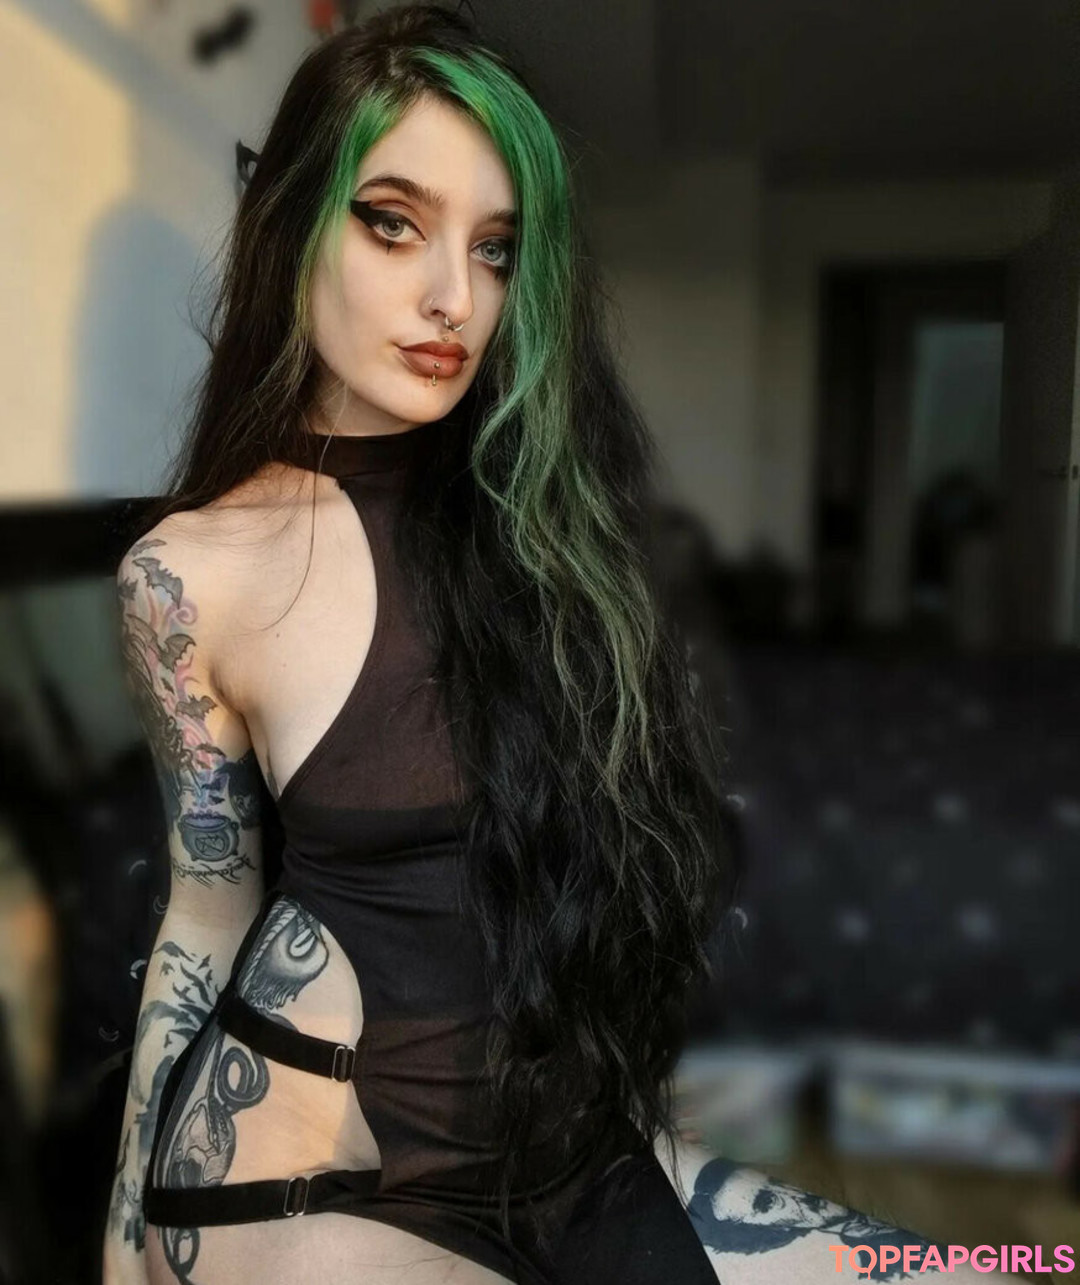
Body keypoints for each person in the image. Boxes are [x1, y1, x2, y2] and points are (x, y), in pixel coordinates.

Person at [102, 6, 1021, 1283]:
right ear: (292, 222)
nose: (454, 297)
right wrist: (123, 1235)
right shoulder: (185, 577)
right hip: (302, 1173)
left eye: (494, 248)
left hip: (565, 1151)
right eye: (393, 223)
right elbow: (208, 904)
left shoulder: (542, 524)